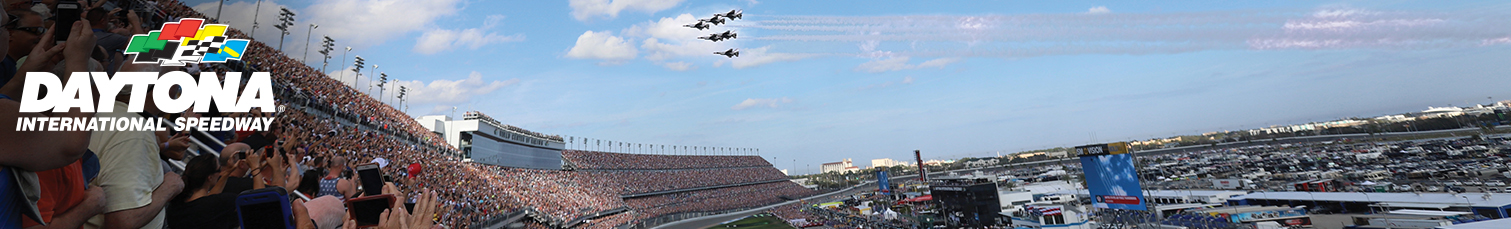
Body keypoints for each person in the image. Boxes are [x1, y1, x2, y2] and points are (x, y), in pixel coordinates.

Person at [165, 153, 237, 229]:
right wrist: (251, 167)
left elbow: (208, 201)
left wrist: (227, 173)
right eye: (219, 170)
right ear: (210, 177)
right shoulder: (224, 201)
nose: (220, 173)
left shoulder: (175, 206)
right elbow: (249, 201)